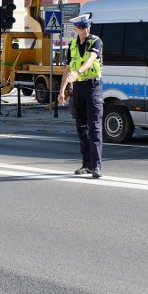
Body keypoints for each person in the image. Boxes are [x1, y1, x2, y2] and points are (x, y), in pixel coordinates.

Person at [57, 13, 103, 179]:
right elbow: (67, 69)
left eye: (87, 26)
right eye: (82, 27)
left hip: (92, 87)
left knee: (95, 127)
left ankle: (97, 166)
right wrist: (61, 91)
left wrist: (79, 72)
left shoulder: (95, 41)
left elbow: (91, 58)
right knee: (81, 128)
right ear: (76, 29)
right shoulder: (73, 44)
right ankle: (87, 165)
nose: (86, 29)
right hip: (78, 88)